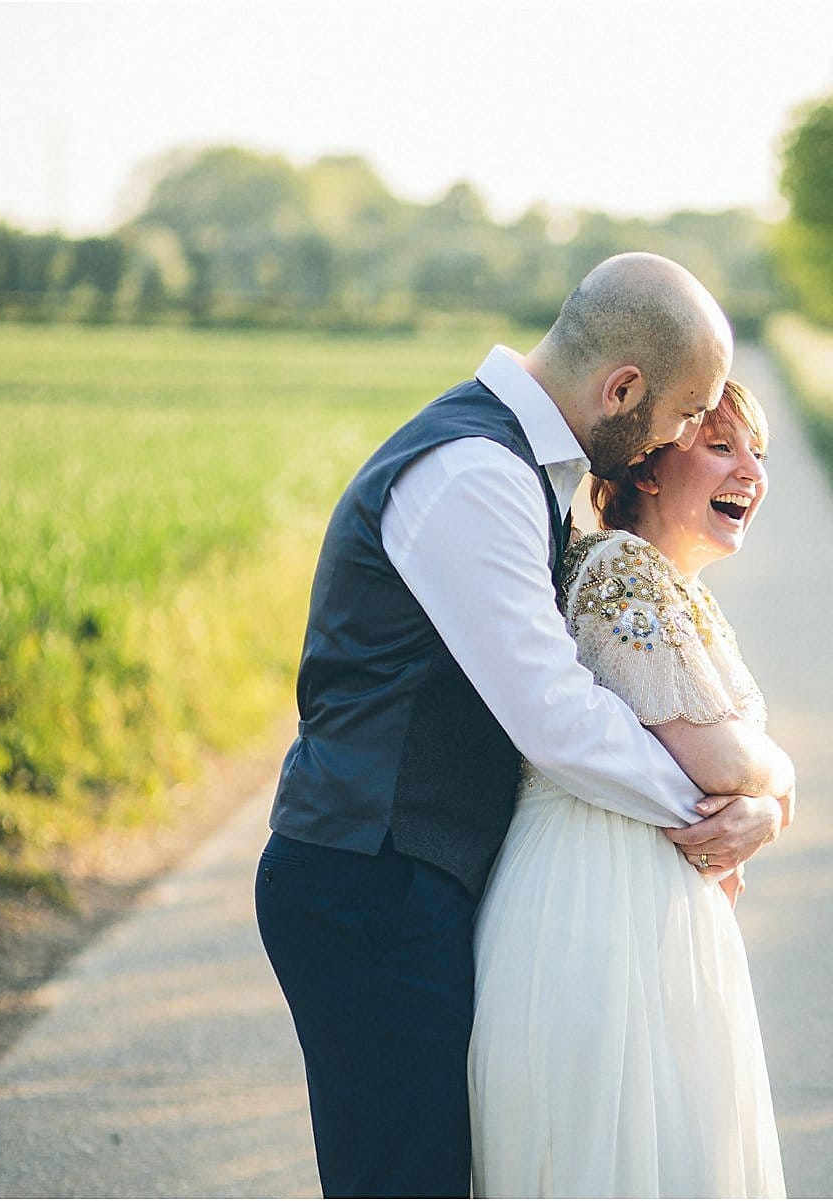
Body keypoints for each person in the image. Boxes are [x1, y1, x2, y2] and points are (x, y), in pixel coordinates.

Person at [254, 253, 786, 1199]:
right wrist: (714, 812)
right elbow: (558, 719)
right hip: (370, 878)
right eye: (683, 412)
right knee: (401, 1182)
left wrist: (754, 802)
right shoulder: (474, 471)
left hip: (417, 873)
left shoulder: (518, 468)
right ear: (623, 386)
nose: (681, 433)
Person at [470, 379, 792, 1198]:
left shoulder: (685, 591)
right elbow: (717, 760)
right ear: (649, 468)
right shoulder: (620, 567)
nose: (751, 471)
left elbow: (725, 762)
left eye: (759, 451)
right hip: (593, 900)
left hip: (657, 906)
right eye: (722, 447)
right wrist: (779, 785)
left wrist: (764, 803)